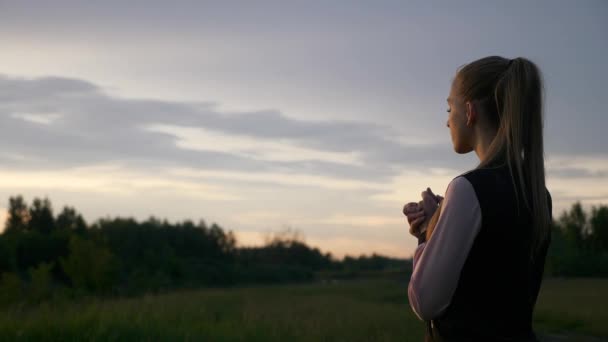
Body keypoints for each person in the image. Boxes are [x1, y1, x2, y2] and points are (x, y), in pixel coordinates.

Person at [402, 56, 553, 342]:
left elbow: (424, 302)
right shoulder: (537, 193)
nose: (447, 121)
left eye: (450, 108)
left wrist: (425, 238)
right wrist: (435, 223)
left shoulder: (467, 189)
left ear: (469, 112)